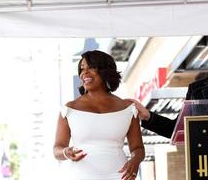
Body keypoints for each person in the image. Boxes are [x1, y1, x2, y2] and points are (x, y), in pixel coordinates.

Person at [53, 50, 145, 180]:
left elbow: (138, 148)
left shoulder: (128, 108)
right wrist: (65, 152)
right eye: (82, 69)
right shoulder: (69, 109)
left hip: (120, 175)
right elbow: (57, 148)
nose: (85, 72)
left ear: (104, 71)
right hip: (81, 175)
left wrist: (135, 161)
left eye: (91, 68)